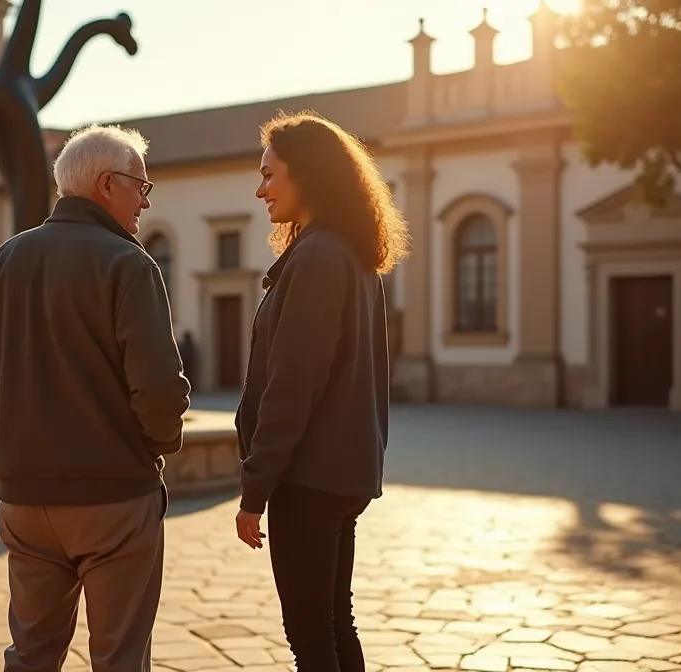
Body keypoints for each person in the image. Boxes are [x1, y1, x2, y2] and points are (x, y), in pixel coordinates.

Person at [0, 123, 191, 672]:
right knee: (119, 658)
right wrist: (154, 446)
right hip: (115, 499)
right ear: (107, 184)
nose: (145, 201)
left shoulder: (1, 263)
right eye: (141, 186)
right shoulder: (129, 264)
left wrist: (25, 441)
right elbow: (157, 387)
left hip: (25, 500)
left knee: (31, 656)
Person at [234, 110, 409, 671]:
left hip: (307, 478)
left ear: (305, 174)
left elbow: (292, 385)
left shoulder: (316, 258)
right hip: (344, 473)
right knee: (335, 625)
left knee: (312, 638)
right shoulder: (349, 254)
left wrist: (255, 488)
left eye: (269, 174)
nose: (260, 189)